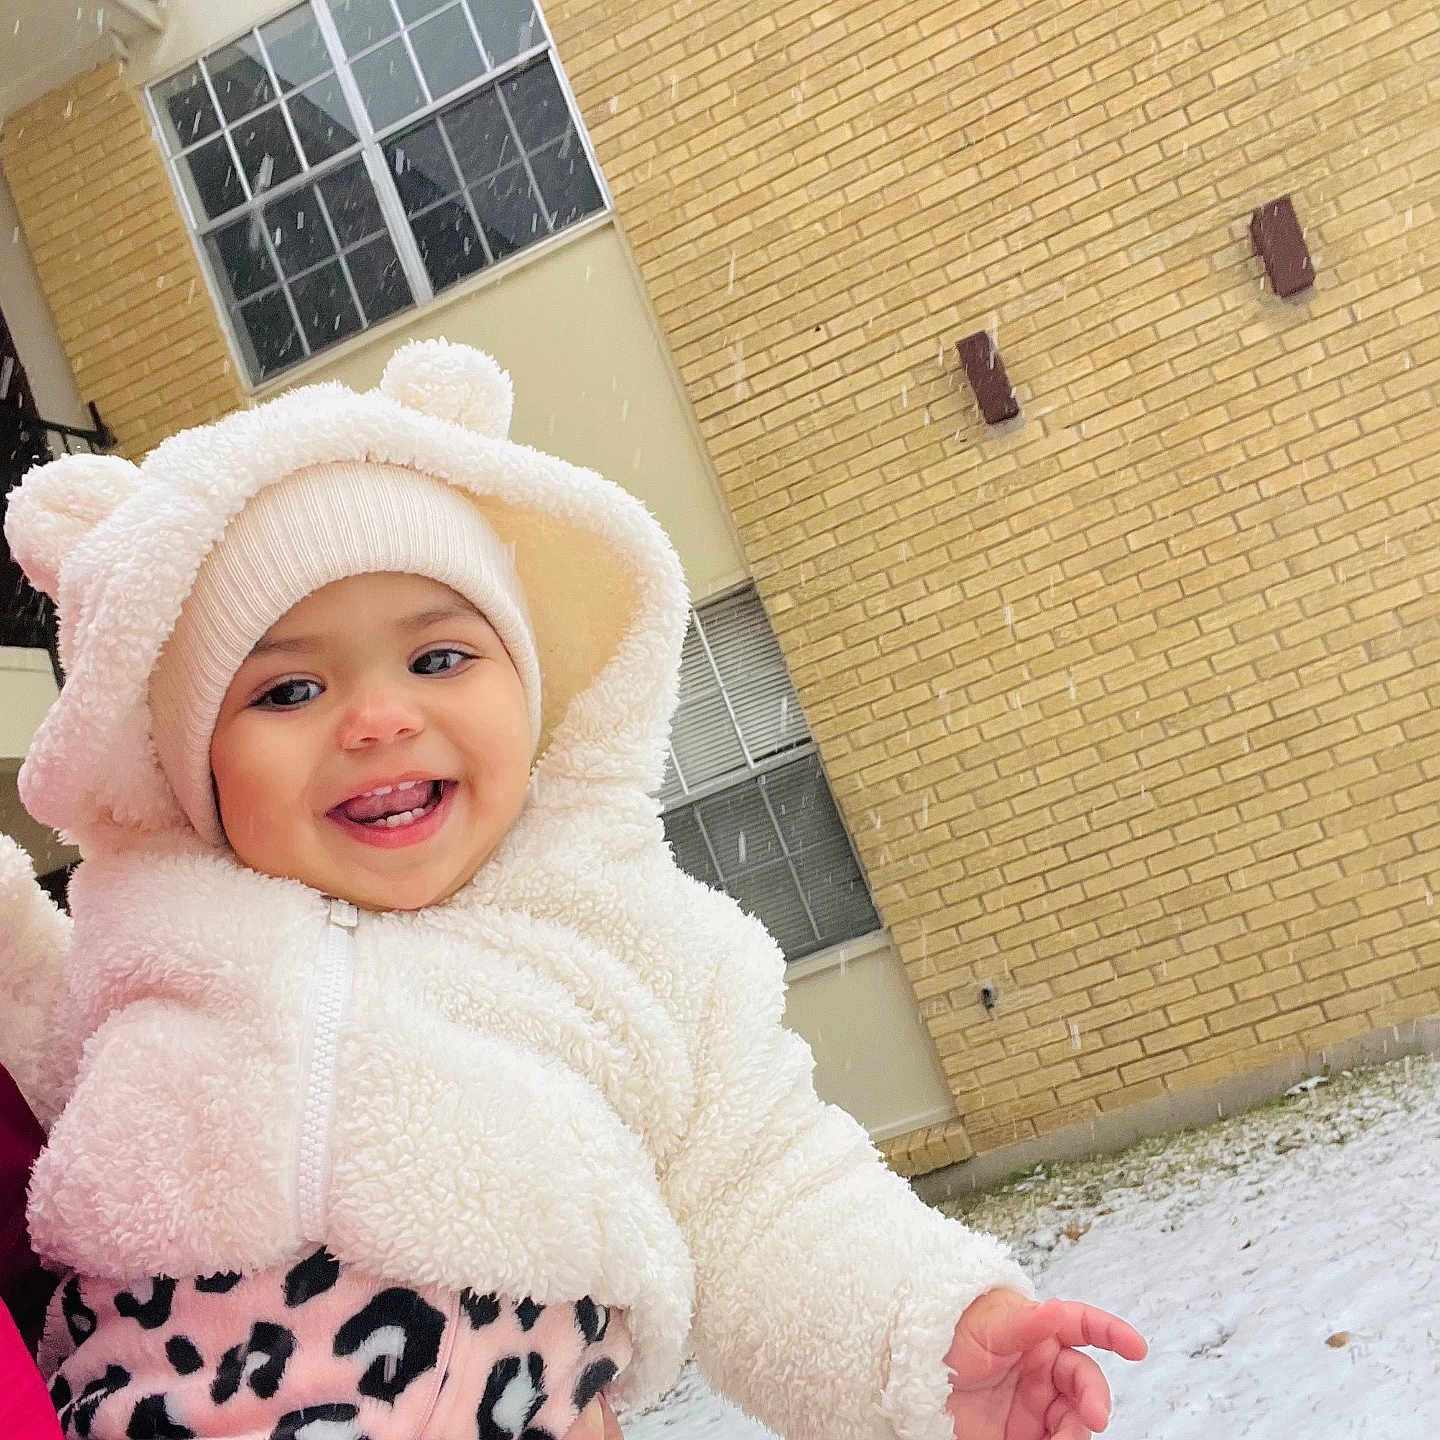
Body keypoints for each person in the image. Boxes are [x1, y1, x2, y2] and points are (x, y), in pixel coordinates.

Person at [0, 339, 1145, 1440]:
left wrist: (929, 1339)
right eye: (289, 690)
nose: (380, 718)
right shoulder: (140, 933)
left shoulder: (619, 936)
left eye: (439, 658)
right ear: (195, 768)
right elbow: (36, 1061)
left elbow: (768, 1194)